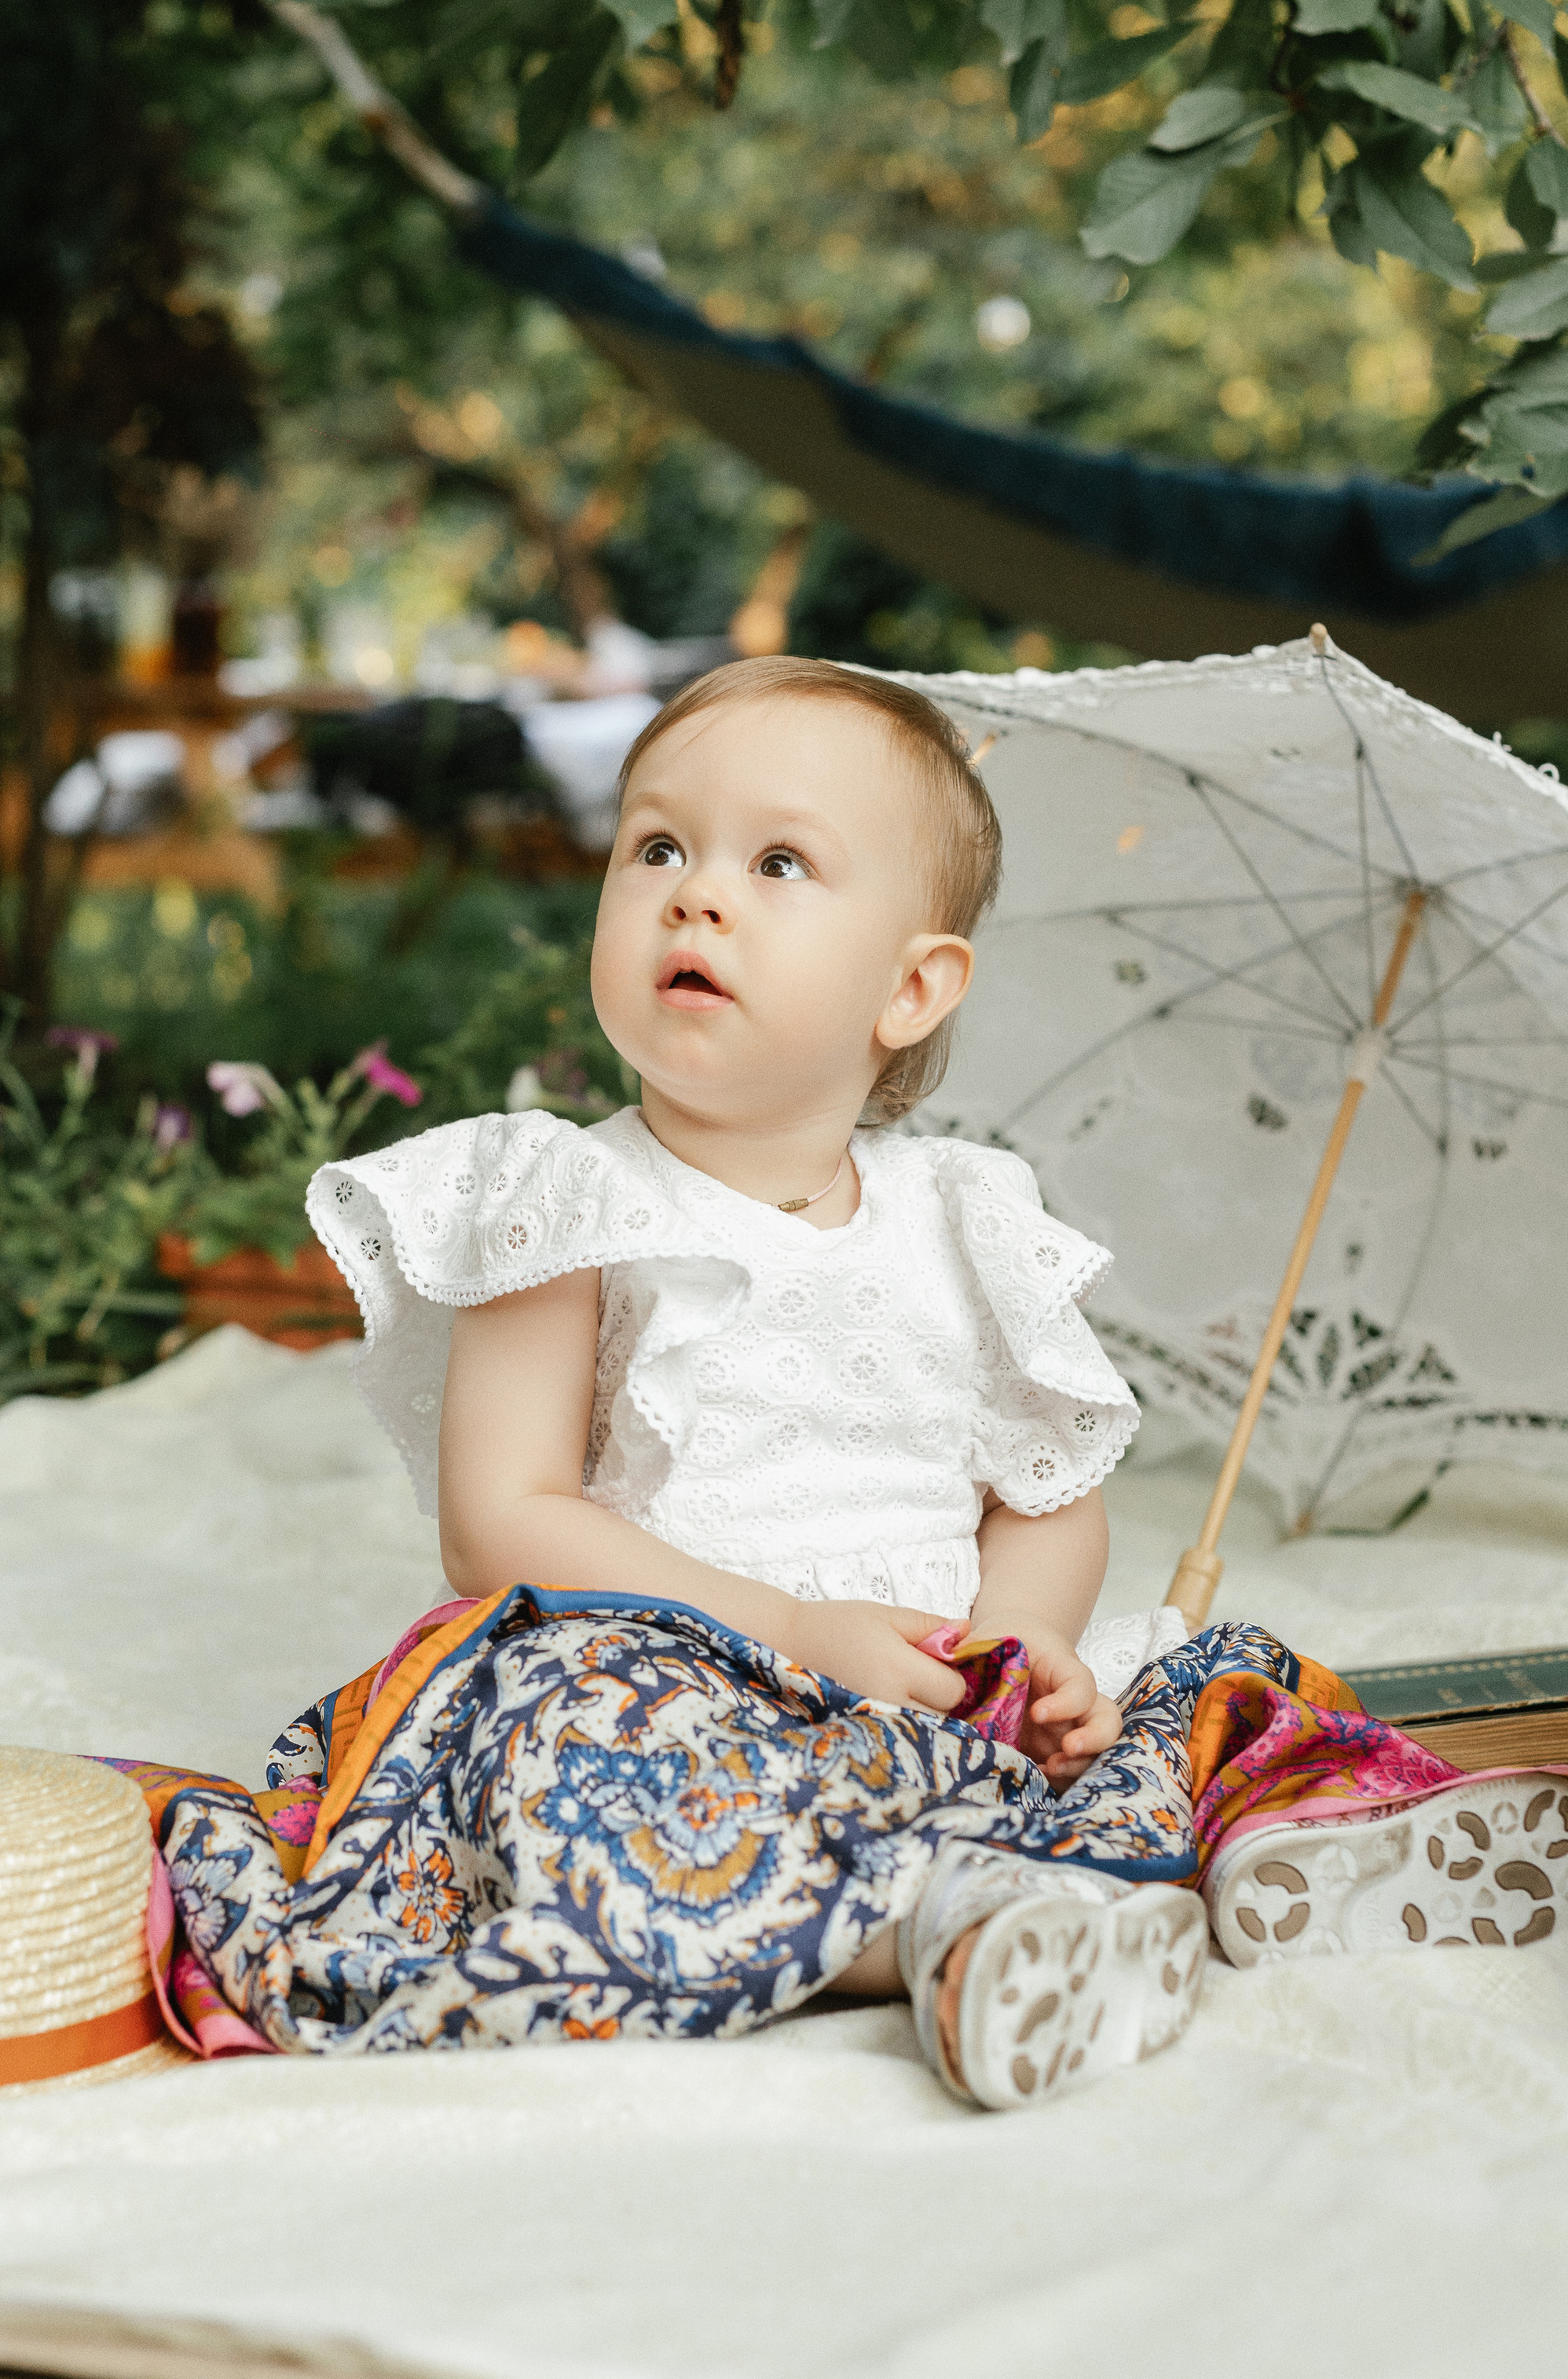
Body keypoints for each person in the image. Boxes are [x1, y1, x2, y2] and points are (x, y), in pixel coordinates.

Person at [306, 657, 1209, 2107]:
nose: (695, 894)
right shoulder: (569, 1199)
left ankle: (1296, 1849)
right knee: (556, 1757)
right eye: (658, 846)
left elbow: (1046, 1491)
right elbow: (501, 1520)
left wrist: (1025, 1646)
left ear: (911, 988)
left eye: (778, 862)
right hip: (663, 1667)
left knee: (1176, 1691)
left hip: (925, 1688)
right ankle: (934, 1930)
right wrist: (791, 1630)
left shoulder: (969, 1220)